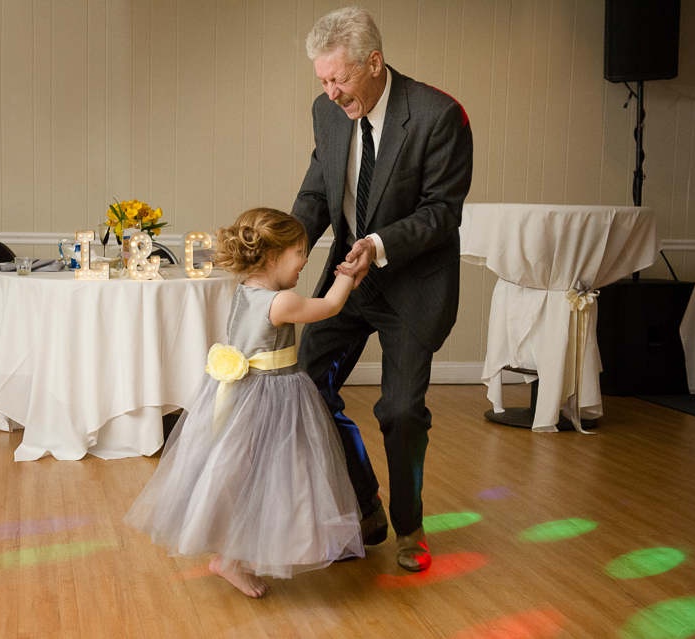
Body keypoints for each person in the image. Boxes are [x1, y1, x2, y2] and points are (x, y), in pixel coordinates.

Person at [291, 7, 474, 572]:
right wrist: (274, 253)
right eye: (322, 80)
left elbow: (442, 213)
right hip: (348, 282)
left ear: (374, 63)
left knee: (399, 410)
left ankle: (409, 526)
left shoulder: (439, 115)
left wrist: (376, 244)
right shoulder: (327, 111)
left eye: (338, 79)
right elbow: (318, 196)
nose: (330, 91)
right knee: (305, 388)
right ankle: (367, 504)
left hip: (410, 284)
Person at [125, 208, 364, 598]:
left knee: (244, 476)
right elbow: (331, 307)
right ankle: (233, 560)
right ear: (273, 257)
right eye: (300, 252)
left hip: (240, 393)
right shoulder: (282, 301)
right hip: (272, 397)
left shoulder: (244, 289)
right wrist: (347, 276)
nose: (305, 261)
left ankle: (233, 556)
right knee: (275, 476)